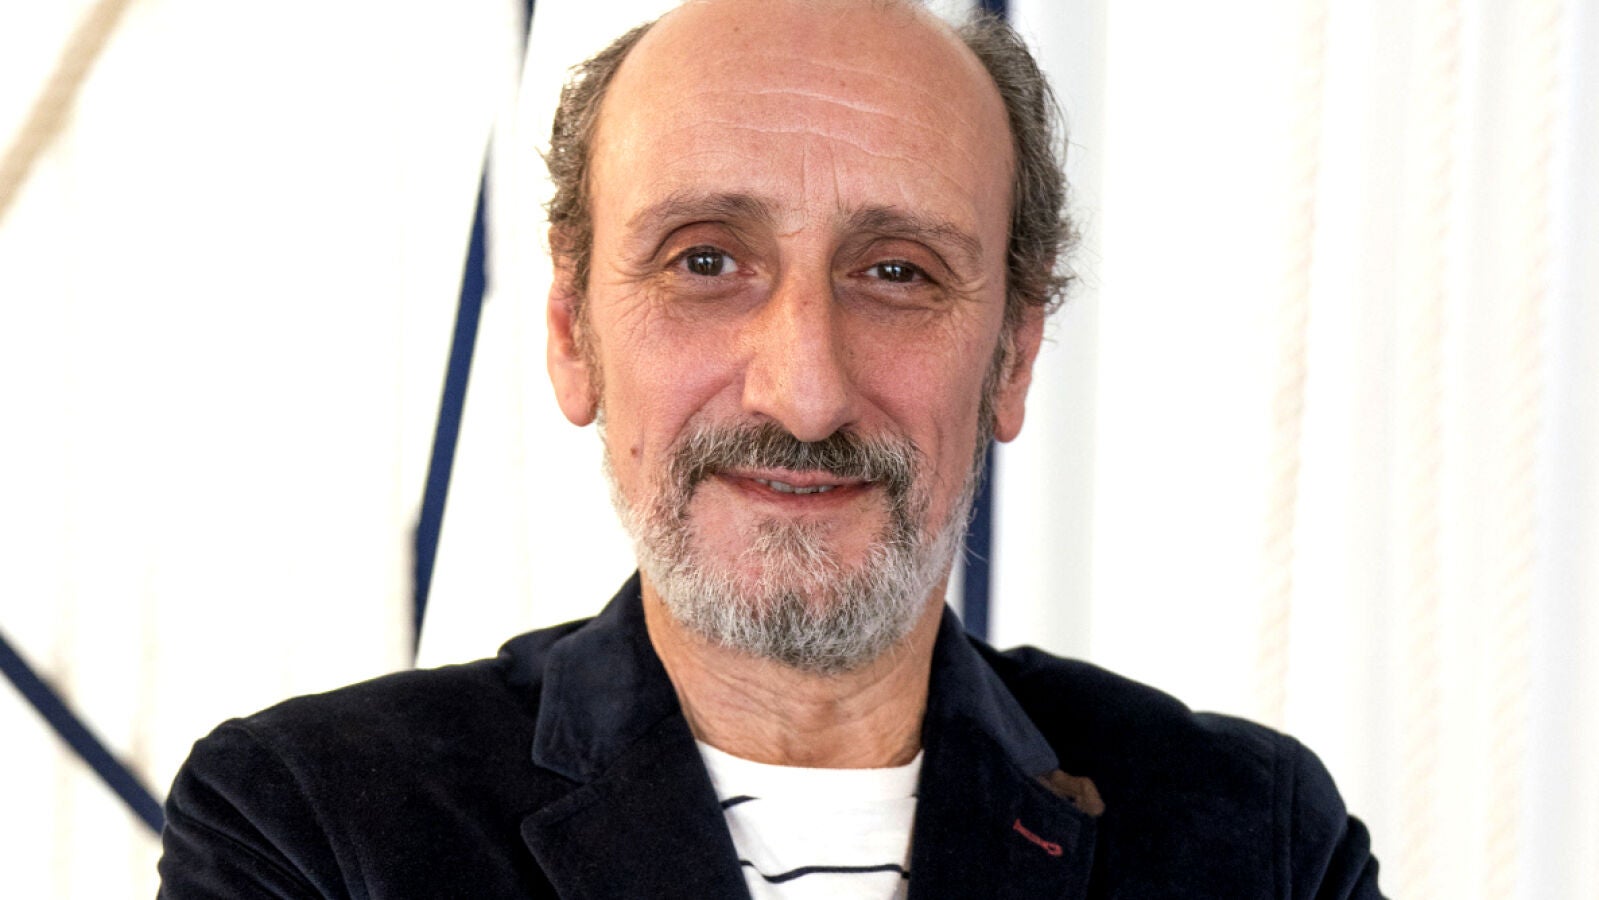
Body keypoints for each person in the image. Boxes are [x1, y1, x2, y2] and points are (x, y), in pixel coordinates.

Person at [157, 1, 1384, 897]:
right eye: (706, 261)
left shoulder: (1259, 841)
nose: (804, 393)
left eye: (897, 273)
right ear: (573, 335)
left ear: (1012, 357)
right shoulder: (311, 824)